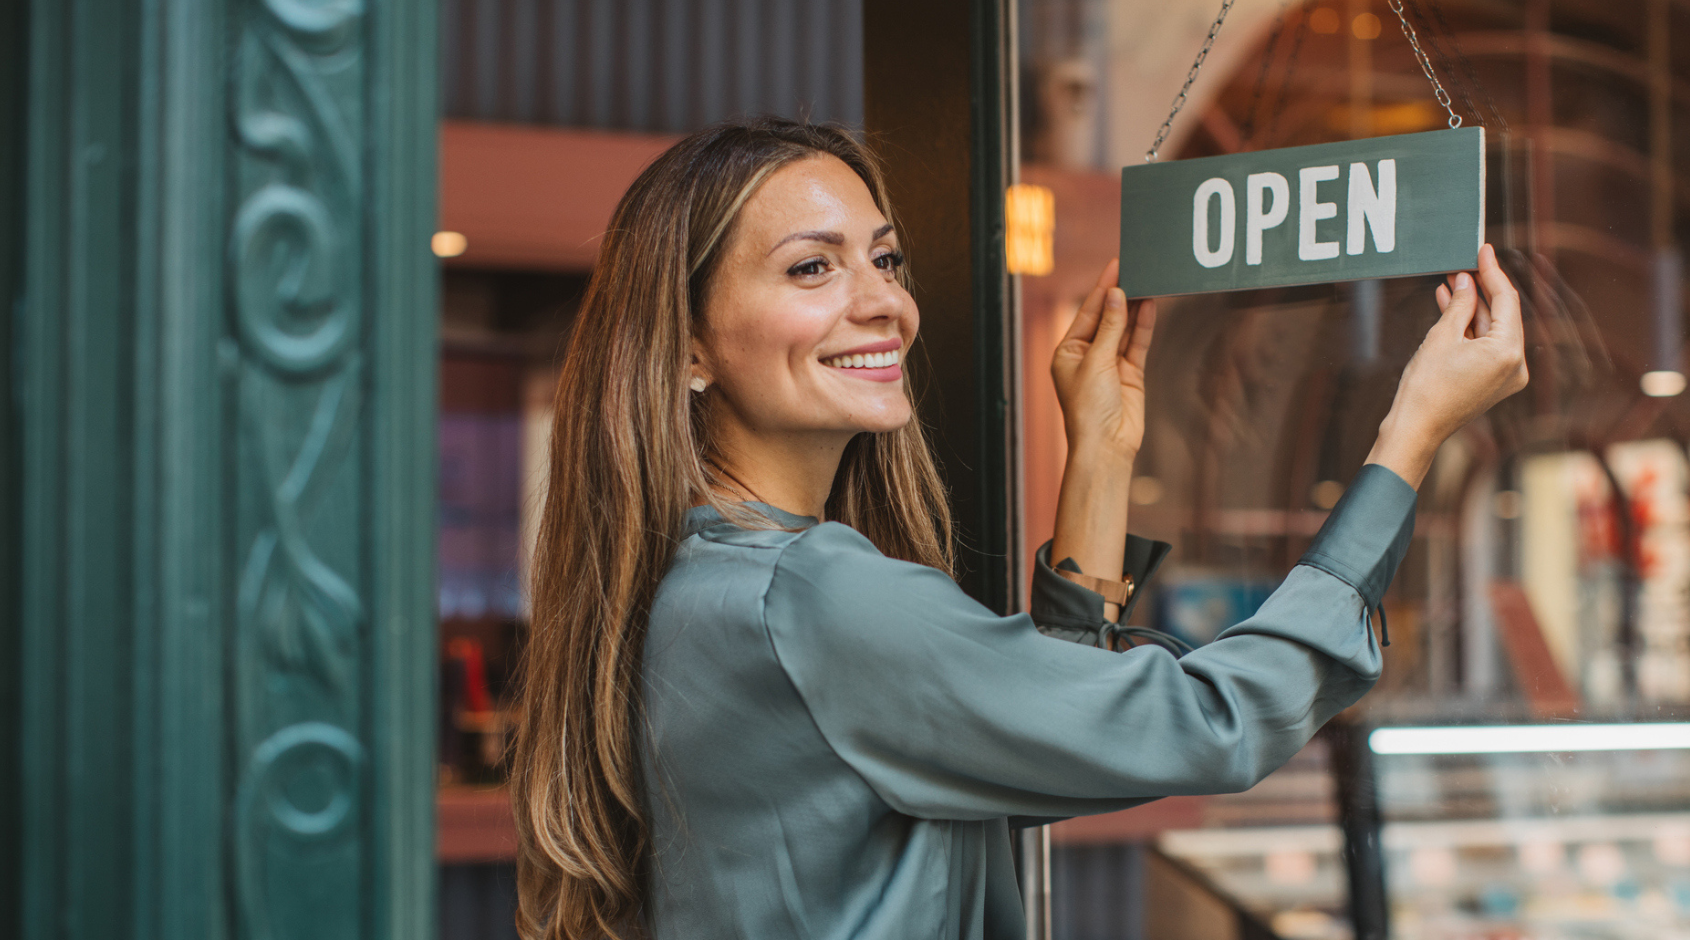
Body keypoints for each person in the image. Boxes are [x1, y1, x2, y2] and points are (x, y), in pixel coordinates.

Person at [510, 117, 1528, 940]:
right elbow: (1210, 722)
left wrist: (1098, 455)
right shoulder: (813, 595)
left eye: (885, 259)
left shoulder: (701, 579)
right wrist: (1410, 434)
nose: (884, 304)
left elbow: (1033, 736)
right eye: (811, 269)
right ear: (688, 347)